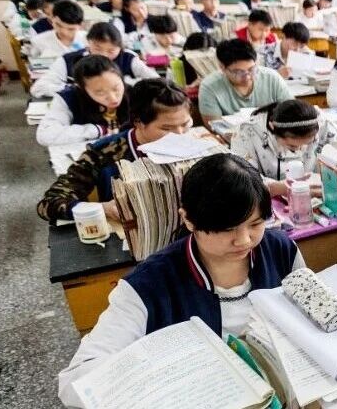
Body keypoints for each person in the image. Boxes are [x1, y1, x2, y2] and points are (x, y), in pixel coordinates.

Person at [56, 153, 306, 408]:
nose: (244, 240)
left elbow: (310, 320)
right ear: (188, 219)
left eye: (255, 224)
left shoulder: (281, 250)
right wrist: (160, 379)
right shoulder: (147, 286)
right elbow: (75, 381)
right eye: (227, 229)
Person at [37, 79, 193, 223]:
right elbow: (48, 204)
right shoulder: (104, 153)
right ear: (138, 122)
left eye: (185, 124)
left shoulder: (196, 147)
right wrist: (104, 209)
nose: (180, 134)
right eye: (166, 128)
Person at [31, 22, 160, 98]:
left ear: (120, 47)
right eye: (98, 49)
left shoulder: (128, 58)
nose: (103, 55)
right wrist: (78, 89)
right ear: (88, 43)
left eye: (111, 51)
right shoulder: (69, 60)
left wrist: (128, 84)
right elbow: (38, 88)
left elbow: (157, 82)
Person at [231, 100, 330, 197]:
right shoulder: (246, 132)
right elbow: (243, 180)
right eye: (292, 146)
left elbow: (334, 158)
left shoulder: (321, 123)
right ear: (272, 127)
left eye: (308, 143)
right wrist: (281, 188)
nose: (301, 149)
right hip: (265, 197)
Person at [36, 55, 129, 147]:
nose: (113, 98)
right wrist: (96, 130)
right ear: (82, 88)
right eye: (100, 93)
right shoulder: (69, 98)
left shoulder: (133, 92)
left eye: (116, 88)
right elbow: (45, 135)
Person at [199, 39, 293, 121]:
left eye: (251, 69)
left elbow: (292, 111)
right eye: (239, 72)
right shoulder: (209, 86)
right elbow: (214, 126)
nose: (247, 76)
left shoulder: (272, 78)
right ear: (222, 68)